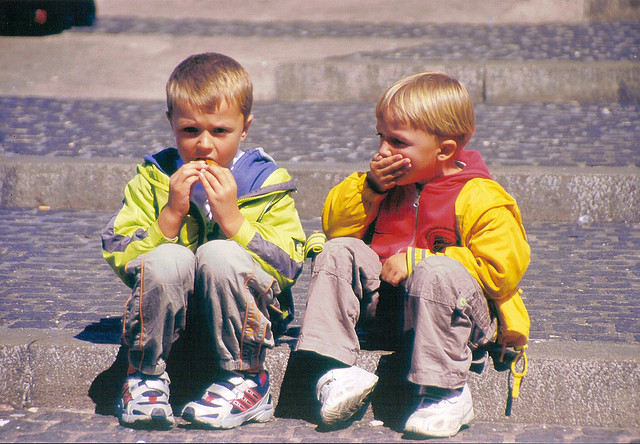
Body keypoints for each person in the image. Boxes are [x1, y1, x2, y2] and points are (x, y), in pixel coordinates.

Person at [278, 72, 530, 437]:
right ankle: (334, 370)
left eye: (397, 142)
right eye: (380, 136)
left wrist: (417, 260)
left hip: (453, 325)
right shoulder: (382, 183)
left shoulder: (481, 198)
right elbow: (336, 226)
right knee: (337, 250)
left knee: (436, 271)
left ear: (444, 150)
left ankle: (445, 392)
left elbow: (501, 270)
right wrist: (373, 187)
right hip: (385, 312)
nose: (382, 151)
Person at [101, 52, 306, 429]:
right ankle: (145, 376)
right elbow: (120, 251)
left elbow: (289, 266)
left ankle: (248, 379)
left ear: (245, 128)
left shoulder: (265, 182)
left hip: (246, 316)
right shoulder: (155, 177)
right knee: (167, 257)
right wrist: (170, 217)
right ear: (171, 124)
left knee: (218, 252)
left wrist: (234, 221)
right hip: (173, 312)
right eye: (190, 131)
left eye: (220, 131)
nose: (204, 145)